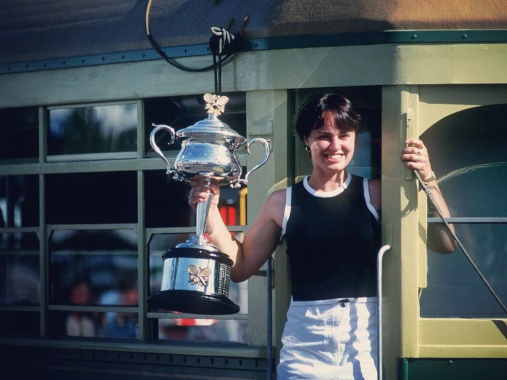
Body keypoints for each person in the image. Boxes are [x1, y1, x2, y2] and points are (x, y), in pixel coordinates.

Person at [188, 93, 456, 379]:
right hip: (305, 348)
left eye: (345, 134)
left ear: (356, 137)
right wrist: (211, 209)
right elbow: (241, 267)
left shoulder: (376, 194)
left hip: (366, 345)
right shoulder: (282, 202)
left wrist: (427, 177)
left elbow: (447, 243)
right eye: (323, 136)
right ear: (306, 139)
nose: (336, 145)